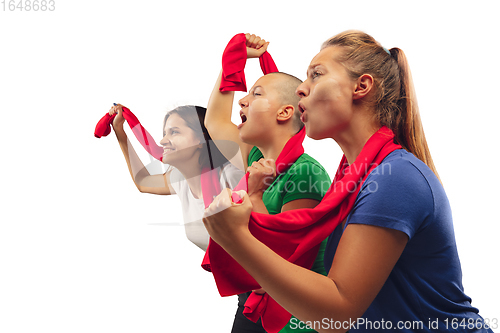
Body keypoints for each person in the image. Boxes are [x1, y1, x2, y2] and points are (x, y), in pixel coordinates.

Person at [202, 30, 494, 333]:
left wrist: (234, 236)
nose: (302, 89)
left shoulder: (394, 178)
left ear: (362, 86)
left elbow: (339, 313)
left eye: (316, 75)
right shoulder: (353, 181)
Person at [204, 34, 331, 332]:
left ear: (285, 112)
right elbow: (214, 122)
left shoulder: (305, 174)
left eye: (256, 94)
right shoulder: (256, 157)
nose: (244, 101)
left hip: (290, 316)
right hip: (254, 300)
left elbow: (284, 260)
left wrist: (255, 194)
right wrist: (231, 65)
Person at [108, 104, 244, 251]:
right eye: (165, 133)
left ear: (201, 140)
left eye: (174, 132)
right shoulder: (181, 181)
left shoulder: (231, 177)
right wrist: (119, 131)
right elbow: (142, 182)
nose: (162, 141)